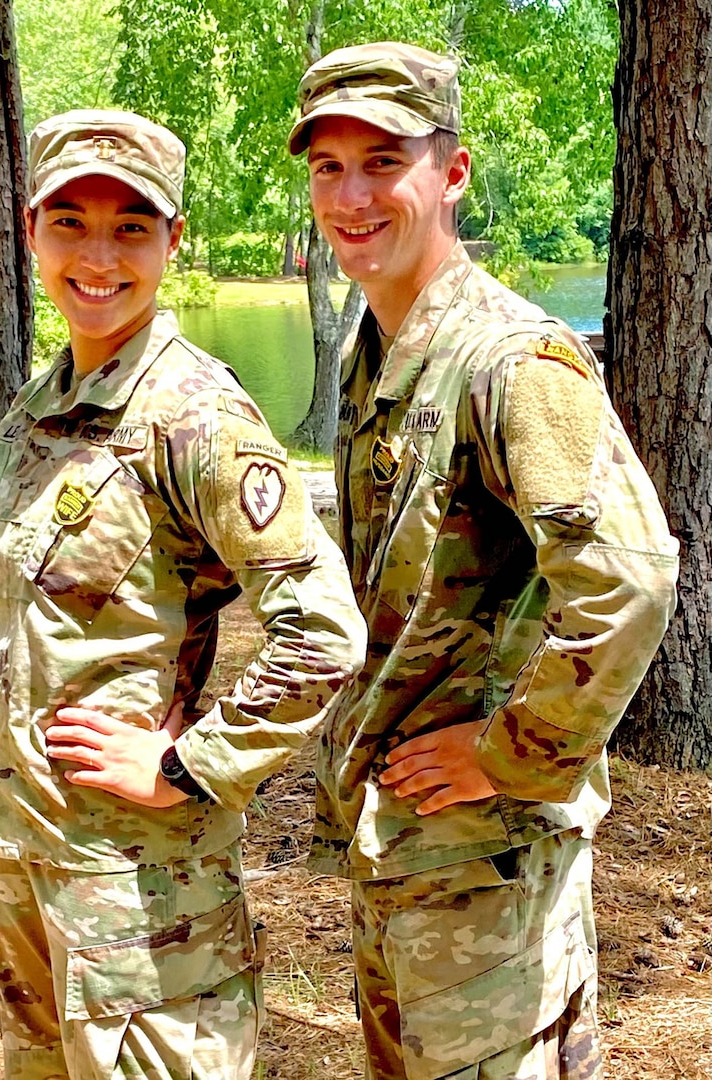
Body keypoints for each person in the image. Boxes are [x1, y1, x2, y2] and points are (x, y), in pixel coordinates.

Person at [0, 109, 367, 1080]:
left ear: (172, 240)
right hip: (29, 876)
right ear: (30, 228)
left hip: (147, 915)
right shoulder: (27, 421)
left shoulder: (195, 416)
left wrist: (188, 765)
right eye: (69, 220)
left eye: (131, 226)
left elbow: (323, 631)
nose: (98, 255)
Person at [288, 42, 680, 1080]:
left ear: (450, 172)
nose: (353, 195)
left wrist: (511, 751)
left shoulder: (510, 359)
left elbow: (631, 578)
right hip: (410, 854)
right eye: (328, 167)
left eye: (384, 161)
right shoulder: (381, 349)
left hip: (486, 866)